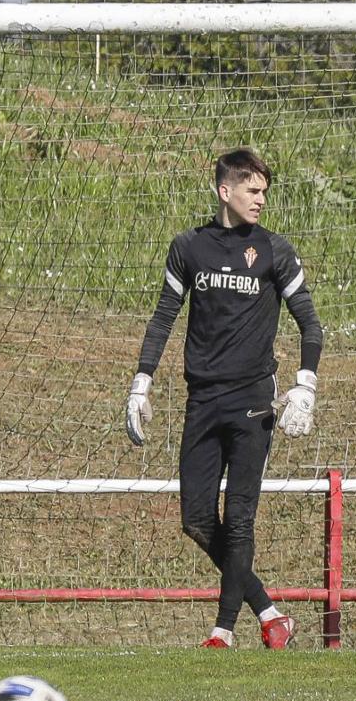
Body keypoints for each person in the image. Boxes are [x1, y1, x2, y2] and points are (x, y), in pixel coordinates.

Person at [125, 148, 323, 650]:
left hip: (254, 401)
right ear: (225, 191)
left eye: (263, 191)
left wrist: (305, 384)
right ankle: (271, 612)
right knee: (195, 519)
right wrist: (140, 382)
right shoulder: (188, 247)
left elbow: (310, 324)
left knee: (238, 517)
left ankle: (223, 630)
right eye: (252, 190)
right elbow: (163, 318)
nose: (260, 199)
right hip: (202, 400)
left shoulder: (276, 250)